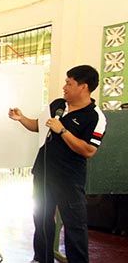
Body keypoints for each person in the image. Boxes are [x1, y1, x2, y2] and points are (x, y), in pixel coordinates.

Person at [8, 65, 107, 263]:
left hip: (69, 179)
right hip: (43, 173)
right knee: (42, 219)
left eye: (69, 83)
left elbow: (88, 150)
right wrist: (21, 119)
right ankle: (42, 258)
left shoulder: (95, 117)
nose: (64, 87)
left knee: (74, 225)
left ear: (83, 87)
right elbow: (38, 125)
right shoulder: (57, 105)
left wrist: (63, 131)